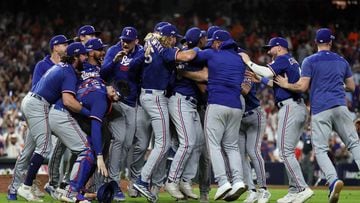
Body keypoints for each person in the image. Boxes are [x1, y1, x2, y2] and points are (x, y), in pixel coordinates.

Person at [275, 28, 360, 203]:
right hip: (341, 106)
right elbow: (352, 86)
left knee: (320, 149)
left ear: (316, 42)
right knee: (354, 143)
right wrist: (337, 87)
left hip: (321, 109)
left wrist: (285, 84)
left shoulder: (309, 60)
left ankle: (333, 180)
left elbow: (302, 87)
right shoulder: (342, 60)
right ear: (331, 42)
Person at [240, 37, 313, 203]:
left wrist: (248, 61)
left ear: (279, 47)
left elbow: (266, 71)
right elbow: (279, 83)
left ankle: (302, 188)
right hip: (298, 106)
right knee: (288, 150)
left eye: (270, 48)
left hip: (289, 107)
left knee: (285, 151)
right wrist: (263, 81)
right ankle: (294, 191)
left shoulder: (282, 59)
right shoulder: (291, 61)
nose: (268, 51)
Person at [15, 42, 91, 202]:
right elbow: (69, 101)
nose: (86, 57)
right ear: (76, 56)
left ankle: (28, 186)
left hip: (34, 101)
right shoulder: (68, 71)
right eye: (83, 55)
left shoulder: (63, 67)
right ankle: (26, 186)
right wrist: (87, 112)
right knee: (44, 146)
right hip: (38, 103)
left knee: (41, 146)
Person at [132, 24, 197, 202]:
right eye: (174, 37)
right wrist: (198, 46)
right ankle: (142, 181)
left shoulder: (149, 45)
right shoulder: (165, 50)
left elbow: (135, 66)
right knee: (163, 143)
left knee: (161, 143)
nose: (175, 40)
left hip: (145, 94)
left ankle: (147, 182)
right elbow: (188, 55)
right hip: (156, 97)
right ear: (167, 37)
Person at [7, 35, 72, 201]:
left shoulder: (68, 65)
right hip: (40, 111)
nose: (66, 46)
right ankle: (15, 188)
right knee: (29, 151)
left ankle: (57, 186)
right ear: (54, 47)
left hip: (57, 114)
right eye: (63, 44)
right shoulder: (43, 65)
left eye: (67, 44)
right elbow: (37, 89)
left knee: (63, 150)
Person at [194, 30, 247, 201]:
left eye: (214, 42)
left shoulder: (212, 53)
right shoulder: (240, 58)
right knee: (232, 146)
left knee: (214, 145)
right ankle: (238, 181)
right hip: (236, 106)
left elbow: (191, 57)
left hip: (217, 103)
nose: (212, 44)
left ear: (218, 42)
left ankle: (223, 182)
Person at [100, 26, 144, 202]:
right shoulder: (113, 51)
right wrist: (114, 61)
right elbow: (103, 74)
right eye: (123, 40)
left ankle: (115, 180)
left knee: (126, 144)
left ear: (136, 41)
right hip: (116, 102)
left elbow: (137, 69)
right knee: (118, 141)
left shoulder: (141, 53)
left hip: (132, 103)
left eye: (128, 40)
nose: (124, 43)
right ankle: (113, 183)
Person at [165, 27, 207, 200]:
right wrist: (194, 75)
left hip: (192, 104)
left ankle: (185, 180)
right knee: (187, 143)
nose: (206, 40)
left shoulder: (192, 55)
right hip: (180, 100)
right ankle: (171, 180)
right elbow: (205, 76)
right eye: (203, 38)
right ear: (199, 40)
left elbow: (198, 76)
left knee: (198, 143)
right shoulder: (189, 53)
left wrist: (187, 74)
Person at [239, 77, 271, 203]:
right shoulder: (231, 71)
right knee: (241, 156)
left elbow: (245, 90)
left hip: (254, 115)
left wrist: (226, 81)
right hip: (238, 118)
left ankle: (263, 189)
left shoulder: (245, 72)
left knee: (253, 151)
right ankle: (251, 191)